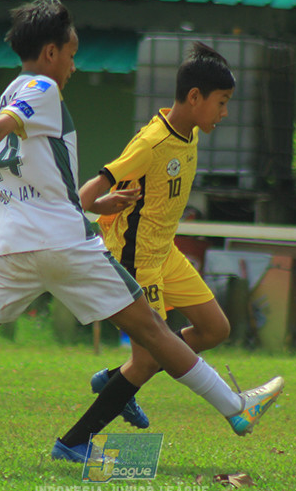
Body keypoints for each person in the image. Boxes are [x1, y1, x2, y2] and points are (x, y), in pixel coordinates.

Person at [0, 0, 282, 464]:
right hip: (62, 245)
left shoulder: (5, 93)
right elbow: (6, 127)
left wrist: (96, 204)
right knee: (155, 334)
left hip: (7, 249)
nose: (74, 66)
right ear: (49, 53)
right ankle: (236, 408)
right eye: (72, 54)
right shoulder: (39, 88)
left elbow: (30, 167)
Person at [51, 42, 246, 454]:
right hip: (136, 259)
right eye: (221, 103)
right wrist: (78, 209)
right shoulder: (151, 143)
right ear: (195, 98)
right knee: (147, 360)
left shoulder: (189, 132)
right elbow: (96, 185)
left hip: (166, 253)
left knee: (215, 329)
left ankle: (117, 379)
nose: (224, 113)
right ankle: (73, 442)